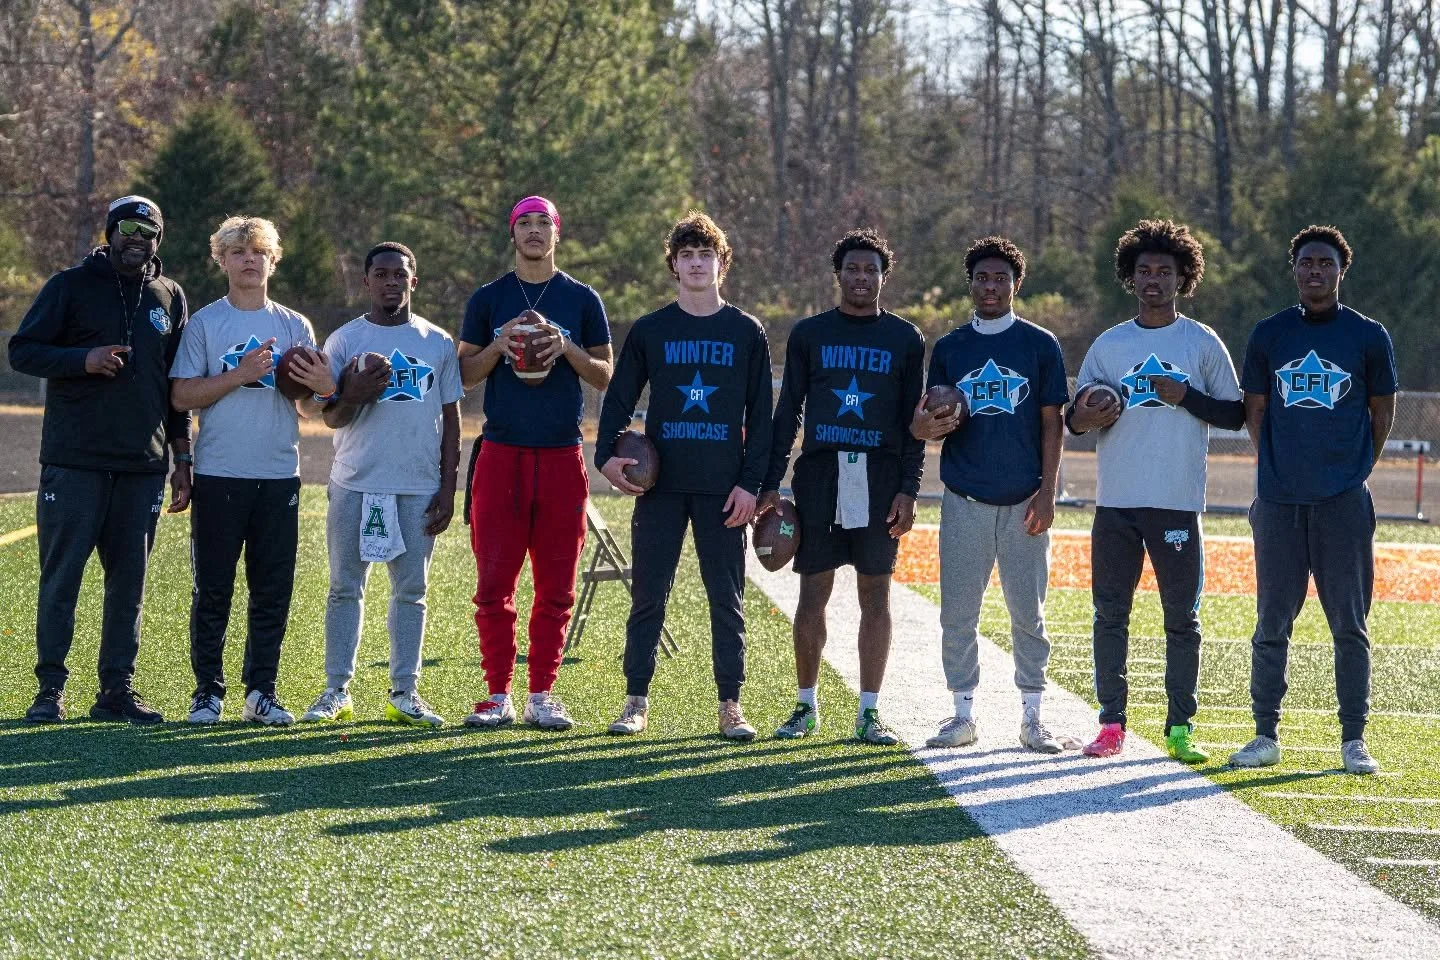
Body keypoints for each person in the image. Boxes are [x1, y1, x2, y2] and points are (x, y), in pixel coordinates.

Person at [1066, 219, 1243, 762]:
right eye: (1144, 270)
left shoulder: (1200, 341)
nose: (1153, 280)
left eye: (1164, 271)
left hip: (1176, 502)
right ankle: (1110, 724)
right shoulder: (1110, 343)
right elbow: (1074, 420)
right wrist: (1090, 413)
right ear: (1130, 276)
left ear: (1182, 277)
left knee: (1181, 619)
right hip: (1116, 504)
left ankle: (1180, 727)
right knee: (1109, 615)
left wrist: (1187, 396)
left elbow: (1234, 414)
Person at [9, 196, 191, 724]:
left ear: (158, 240)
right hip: (75, 461)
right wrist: (81, 360)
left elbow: (175, 386)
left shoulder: (169, 295)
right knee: (61, 579)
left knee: (128, 586)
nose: (137, 238)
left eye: (148, 232)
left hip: (142, 465)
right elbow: (22, 350)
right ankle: (49, 690)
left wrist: (182, 454)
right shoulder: (69, 286)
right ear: (110, 232)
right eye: (127, 228)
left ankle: (116, 690)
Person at [595, 211, 772, 739]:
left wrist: (751, 484)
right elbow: (618, 398)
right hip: (662, 488)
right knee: (649, 596)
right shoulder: (652, 329)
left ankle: (731, 704)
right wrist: (605, 455)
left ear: (722, 262)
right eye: (687, 255)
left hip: (723, 488)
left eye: (706, 254)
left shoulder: (746, 331)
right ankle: (635, 701)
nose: (696, 264)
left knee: (727, 601)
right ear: (673, 265)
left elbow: (762, 417)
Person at [1230, 225, 1396, 775]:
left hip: (1343, 500)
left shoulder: (1368, 336)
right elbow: (1255, 410)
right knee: (1271, 621)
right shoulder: (1269, 334)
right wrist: (1279, 468)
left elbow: (1382, 412)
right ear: (1294, 269)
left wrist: (1354, 469)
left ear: (1341, 270)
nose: (1315, 271)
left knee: (1349, 624)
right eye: (1306, 262)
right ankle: (1264, 734)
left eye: (1325, 262)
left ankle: (1353, 738)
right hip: (1279, 501)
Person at [170, 216, 338, 726]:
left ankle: (261, 691)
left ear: (272, 261)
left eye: (258, 251)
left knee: (272, 590)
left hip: (279, 473)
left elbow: (307, 406)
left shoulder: (294, 325)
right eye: (238, 252)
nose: (249, 259)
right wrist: (239, 375)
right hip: (220, 472)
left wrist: (325, 389)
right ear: (221, 260)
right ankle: (207, 692)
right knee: (213, 589)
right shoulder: (205, 323)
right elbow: (181, 395)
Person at [758, 229, 923, 744]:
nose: (861, 277)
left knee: (876, 593)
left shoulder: (905, 338)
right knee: (813, 590)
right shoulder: (810, 334)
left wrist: (909, 488)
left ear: (884, 276)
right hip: (822, 474)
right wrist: (771, 481)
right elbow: (788, 412)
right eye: (852, 268)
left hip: (880, 476)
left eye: (871, 269)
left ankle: (869, 712)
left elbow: (914, 424)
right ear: (838, 274)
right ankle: (805, 706)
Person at [912, 236, 1072, 753]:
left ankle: (1033, 716)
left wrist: (1048, 491)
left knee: (1028, 614)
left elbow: (1052, 423)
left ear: (1016, 284)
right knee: (958, 613)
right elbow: (930, 420)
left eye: (1001, 278)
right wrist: (928, 424)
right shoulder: (951, 348)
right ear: (970, 283)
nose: (991, 286)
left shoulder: (1039, 344)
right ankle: (962, 714)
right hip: (966, 497)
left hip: (1025, 498)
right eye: (982, 277)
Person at [457, 197, 613, 731]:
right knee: (493, 583)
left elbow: (604, 375)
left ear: (556, 233)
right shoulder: (489, 297)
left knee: (557, 586)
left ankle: (542, 693)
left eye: (543, 222)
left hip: (561, 454)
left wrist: (566, 347)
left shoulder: (581, 298)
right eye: (523, 222)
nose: (533, 230)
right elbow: (465, 374)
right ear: (512, 233)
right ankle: (497, 693)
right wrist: (498, 345)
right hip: (501, 454)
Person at [299, 242, 462, 726]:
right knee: (344, 587)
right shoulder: (345, 340)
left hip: (417, 485)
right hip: (356, 481)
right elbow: (330, 417)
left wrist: (448, 486)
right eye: (382, 274)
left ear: (414, 281)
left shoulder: (437, 341)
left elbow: (452, 419)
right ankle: (336, 690)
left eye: (400, 274)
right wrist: (352, 393)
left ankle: (405, 692)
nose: (391, 282)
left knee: (411, 590)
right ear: (366, 281)